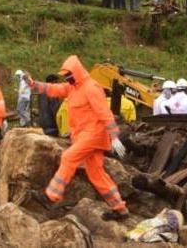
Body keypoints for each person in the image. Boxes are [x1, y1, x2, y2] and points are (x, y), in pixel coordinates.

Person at [25, 56, 129, 221]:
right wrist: (33, 84)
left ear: (77, 72)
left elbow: (104, 112)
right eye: (65, 76)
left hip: (93, 135)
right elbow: (54, 89)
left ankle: (51, 196)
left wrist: (114, 136)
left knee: (68, 157)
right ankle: (120, 208)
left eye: (69, 75)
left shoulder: (91, 87)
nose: (67, 78)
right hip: (84, 136)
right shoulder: (72, 87)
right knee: (97, 174)